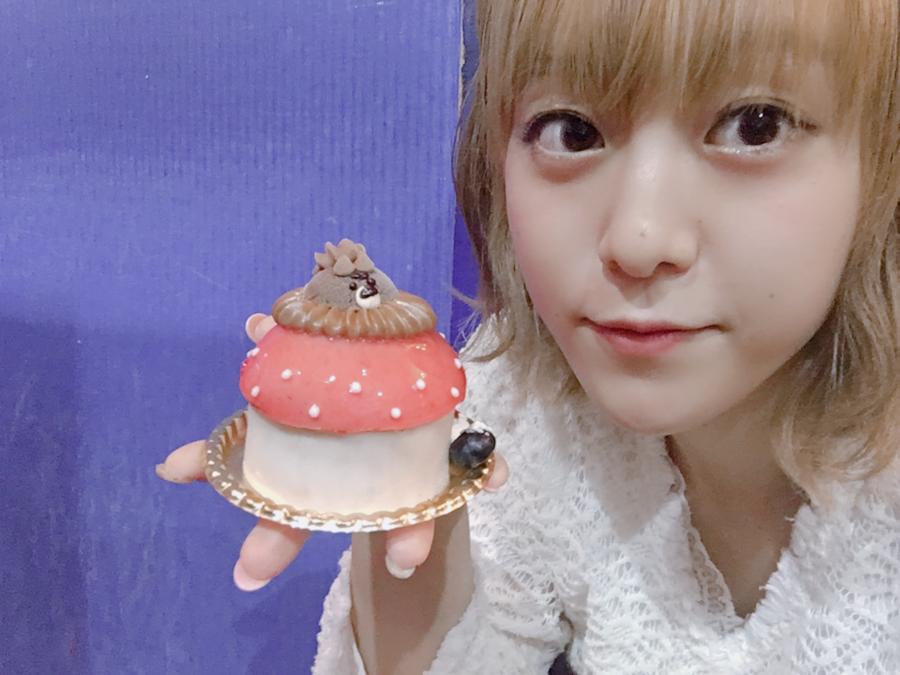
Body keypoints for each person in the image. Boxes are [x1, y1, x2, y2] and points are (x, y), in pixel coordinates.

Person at [157, 0, 900, 672]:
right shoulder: (524, 404)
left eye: (755, 125)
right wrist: (405, 512)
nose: (638, 240)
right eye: (571, 131)